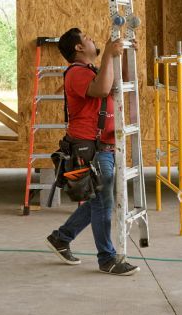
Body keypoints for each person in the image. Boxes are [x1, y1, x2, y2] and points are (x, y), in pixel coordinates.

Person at [45, 27, 140, 276]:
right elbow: (101, 91)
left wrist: (125, 55)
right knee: (103, 201)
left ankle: (61, 237)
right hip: (90, 148)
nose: (92, 40)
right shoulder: (77, 73)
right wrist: (108, 53)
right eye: (87, 38)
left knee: (100, 198)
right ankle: (107, 258)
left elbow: (118, 83)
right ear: (78, 48)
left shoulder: (94, 71)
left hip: (103, 146)